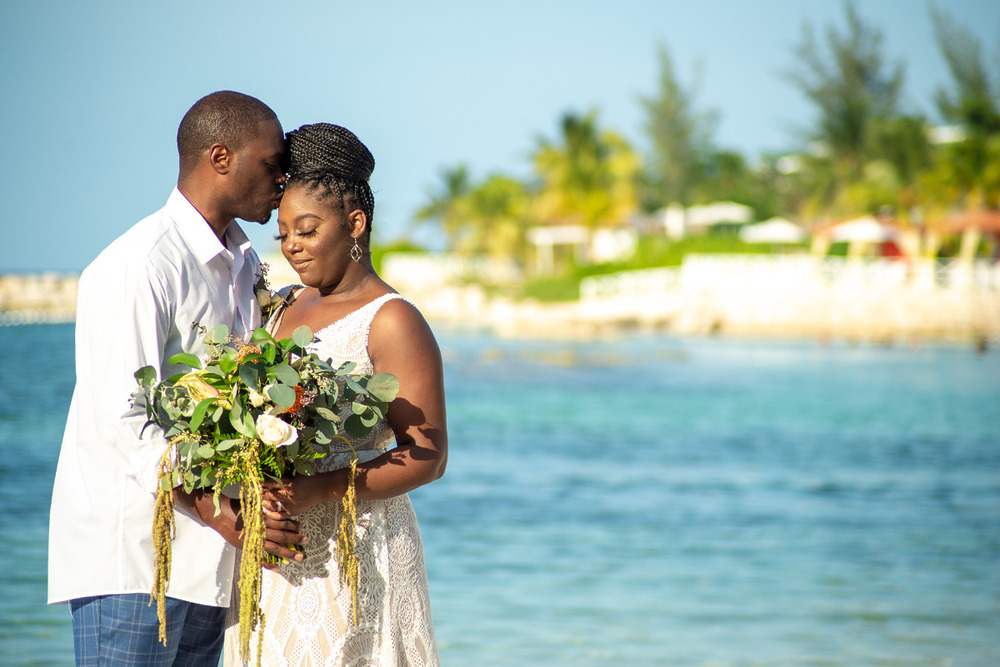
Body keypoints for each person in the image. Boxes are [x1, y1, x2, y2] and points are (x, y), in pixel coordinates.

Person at [48, 91, 307, 666]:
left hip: (211, 559)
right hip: (135, 557)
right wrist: (225, 514)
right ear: (221, 157)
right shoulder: (138, 266)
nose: (283, 181)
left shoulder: (245, 267)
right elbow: (125, 420)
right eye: (271, 165)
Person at [222, 123, 446, 665]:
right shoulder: (283, 306)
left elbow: (429, 457)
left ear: (355, 224)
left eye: (307, 229)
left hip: (358, 546)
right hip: (277, 549)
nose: (293, 246)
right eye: (284, 234)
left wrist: (318, 489)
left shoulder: (392, 320)